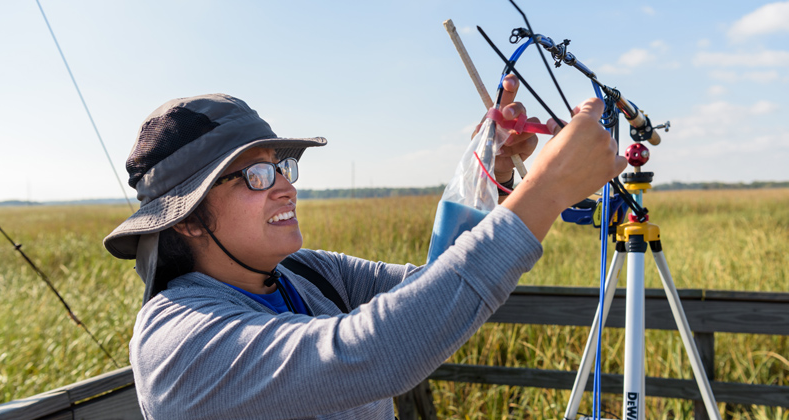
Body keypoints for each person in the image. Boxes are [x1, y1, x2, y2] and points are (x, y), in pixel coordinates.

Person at [104, 75, 626, 420]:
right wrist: (549, 189)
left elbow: (436, 289)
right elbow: (371, 353)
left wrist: (489, 172)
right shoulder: (178, 341)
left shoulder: (306, 275)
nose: (286, 186)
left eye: (283, 167)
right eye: (257, 175)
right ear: (189, 220)